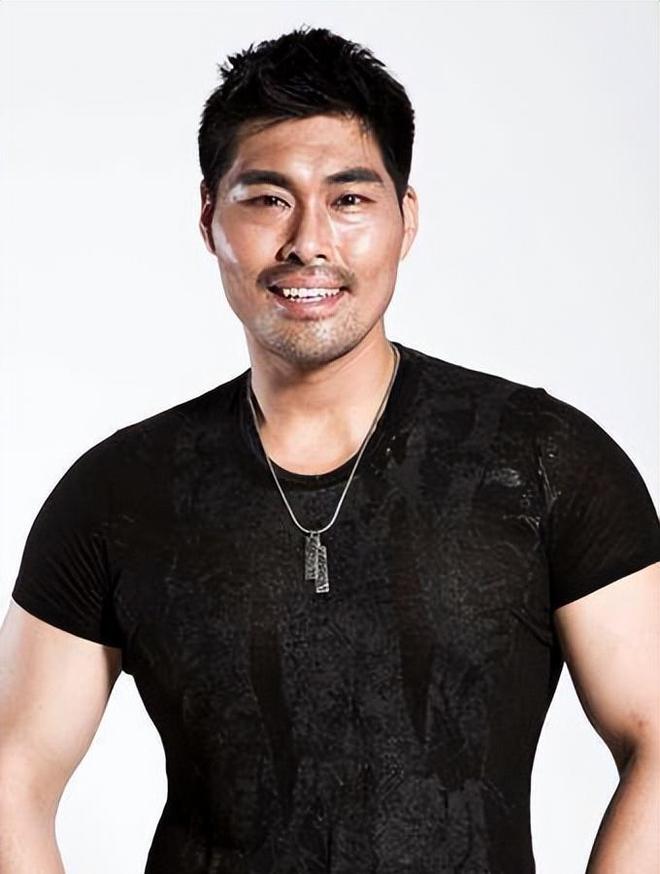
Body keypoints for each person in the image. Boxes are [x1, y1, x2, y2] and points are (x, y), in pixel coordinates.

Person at [1, 24, 658, 874]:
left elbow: (653, 731)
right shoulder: (118, 492)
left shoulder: (544, 459)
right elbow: (15, 773)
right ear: (209, 218)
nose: (309, 242)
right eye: (267, 199)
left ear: (405, 219)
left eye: (349, 200)